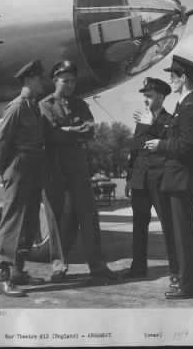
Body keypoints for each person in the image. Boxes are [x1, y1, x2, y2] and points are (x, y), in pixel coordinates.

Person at [39, 60, 118, 281]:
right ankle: (58, 267)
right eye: (66, 80)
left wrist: (66, 130)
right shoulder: (45, 105)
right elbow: (52, 134)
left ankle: (98, 266)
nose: (70, 84)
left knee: (89, 216)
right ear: (55, 81)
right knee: (55, 218)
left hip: (78, 168)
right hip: (55, 168)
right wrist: (75, 130)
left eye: (73, 81)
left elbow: (90, 130)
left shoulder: (80, 105)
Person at [146, 55, 193, 299]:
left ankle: (189, 285)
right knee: (180, 234)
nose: (171, 79)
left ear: (183, 78)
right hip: (176, 178)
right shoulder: (184, 105)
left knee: (184, 235)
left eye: (173, 76)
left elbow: (185, 145)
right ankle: (187, 281)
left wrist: (160, 144)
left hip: (181, 178)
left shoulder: (191, 106)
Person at [0, 60, 47, 297]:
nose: (43, 83)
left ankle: (18, 271)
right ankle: (1, 277)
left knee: (29, 220)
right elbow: (1, 143)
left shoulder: (33, 106)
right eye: (40, 79)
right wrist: (5, 172)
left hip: (34, 165)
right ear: (29, 80)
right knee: (13, 219)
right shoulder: (16, 107)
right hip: (18, 165)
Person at [124, 77, 179, 284]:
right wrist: (129, 178)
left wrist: (148, 126)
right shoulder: (143, 119)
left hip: (158, 180)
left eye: (149, 96)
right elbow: (136, 148)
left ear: (161, 97)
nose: (145, 100)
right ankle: (138, 267)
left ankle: (176, 271)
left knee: (168, 225)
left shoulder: (170, 120)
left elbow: (165, 147)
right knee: (139, 225)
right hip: (139, 179)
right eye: (144, 96)